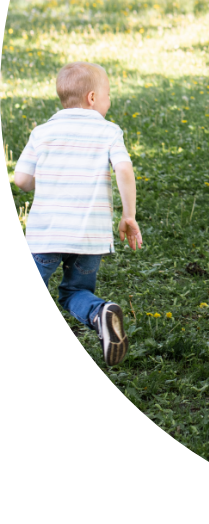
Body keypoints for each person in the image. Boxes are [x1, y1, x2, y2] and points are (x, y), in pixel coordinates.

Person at [14, 62, 142, 366]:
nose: (110, 102)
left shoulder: (43, 132)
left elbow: (20, 180)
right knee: (75, 291)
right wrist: (129, 214)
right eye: (109, 95)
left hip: (47, 234)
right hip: (90, 235)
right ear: (93, 98)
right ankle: (100, 312)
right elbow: (123, 168)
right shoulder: (109, 131)